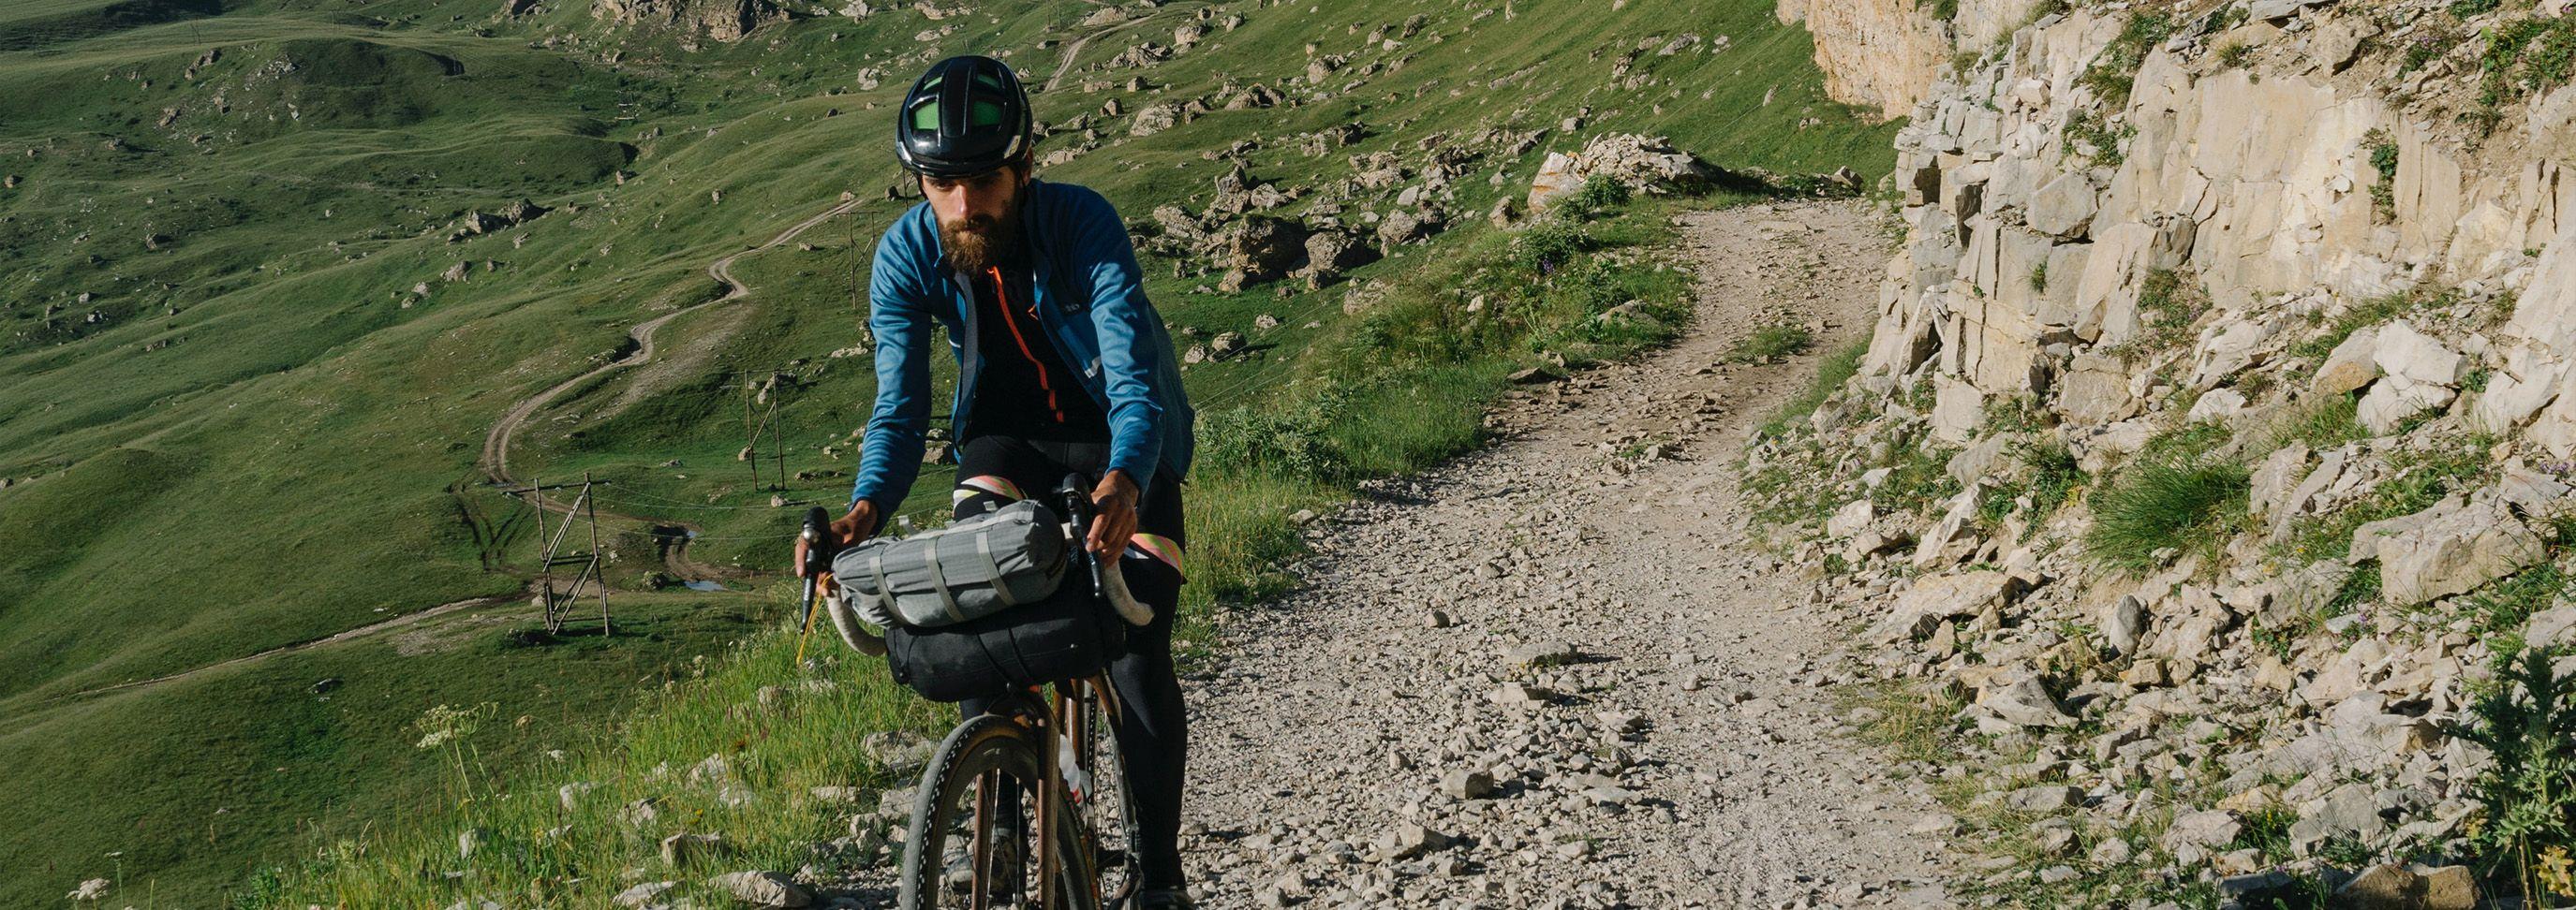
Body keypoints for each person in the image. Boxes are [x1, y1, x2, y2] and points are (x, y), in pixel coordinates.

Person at [822, 54, 1198, 906]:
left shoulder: (1082, 223)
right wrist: (864, 510)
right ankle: (996, 822)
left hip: (1122, 444)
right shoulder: (906, 255)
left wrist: (1128, 481)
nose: (962, 205)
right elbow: (898, 410)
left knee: (1137, 647)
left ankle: (1161, 880)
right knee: (973, 604)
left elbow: (1135, 379)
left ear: (1024, 168)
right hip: (1006, 444)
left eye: (983, 180)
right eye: (940, 184)